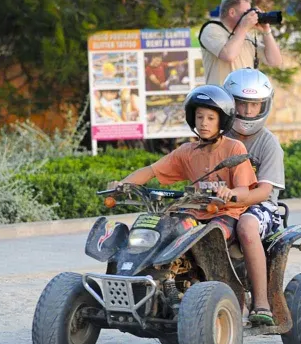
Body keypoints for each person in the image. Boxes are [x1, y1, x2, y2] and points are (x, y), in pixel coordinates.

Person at [109, 85, 257, 240]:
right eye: (199, 117)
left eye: (210, 118)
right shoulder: (186, 151)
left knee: (213, 235)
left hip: (226, 213)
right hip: (194, 211)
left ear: (223, 121)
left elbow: (244, 190)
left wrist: (231, 192)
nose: (204, 123)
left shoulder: (234, 148)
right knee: (164, 232)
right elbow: (151, 171)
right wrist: (122, 184)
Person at [224, 68, 285, 326]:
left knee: (247, 226)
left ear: (264, 105)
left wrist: (234, 200)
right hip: (221, 205)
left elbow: (263, 191)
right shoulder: (218, 137)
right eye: (241, 104)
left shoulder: (268, 144)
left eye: (254, 105)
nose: (248, 112)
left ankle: (261, 302)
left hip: (261, 208)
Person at [199, 0, 282, 85]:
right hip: (222, 97)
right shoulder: (211, 29)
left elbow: (275, 61)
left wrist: (266, 31)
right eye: (246, 12)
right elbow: (228, 55)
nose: (250, 16)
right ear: (232, 12)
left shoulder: (245, 35)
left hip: (246, 97)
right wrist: (244, 27)